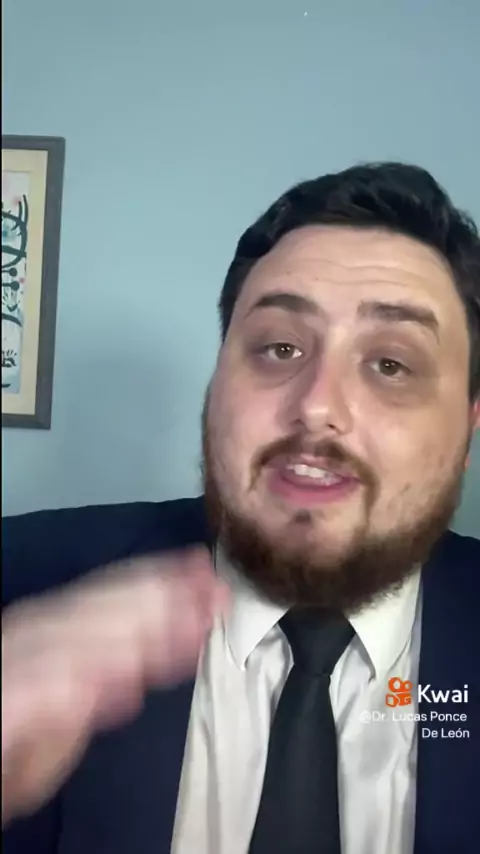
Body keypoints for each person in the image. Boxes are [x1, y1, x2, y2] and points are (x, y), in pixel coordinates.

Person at [2, 162, 480, 854]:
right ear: (217, 381)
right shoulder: (18, 583)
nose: (317, 405)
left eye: (391, 364)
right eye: (280, 347)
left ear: (467, 429)